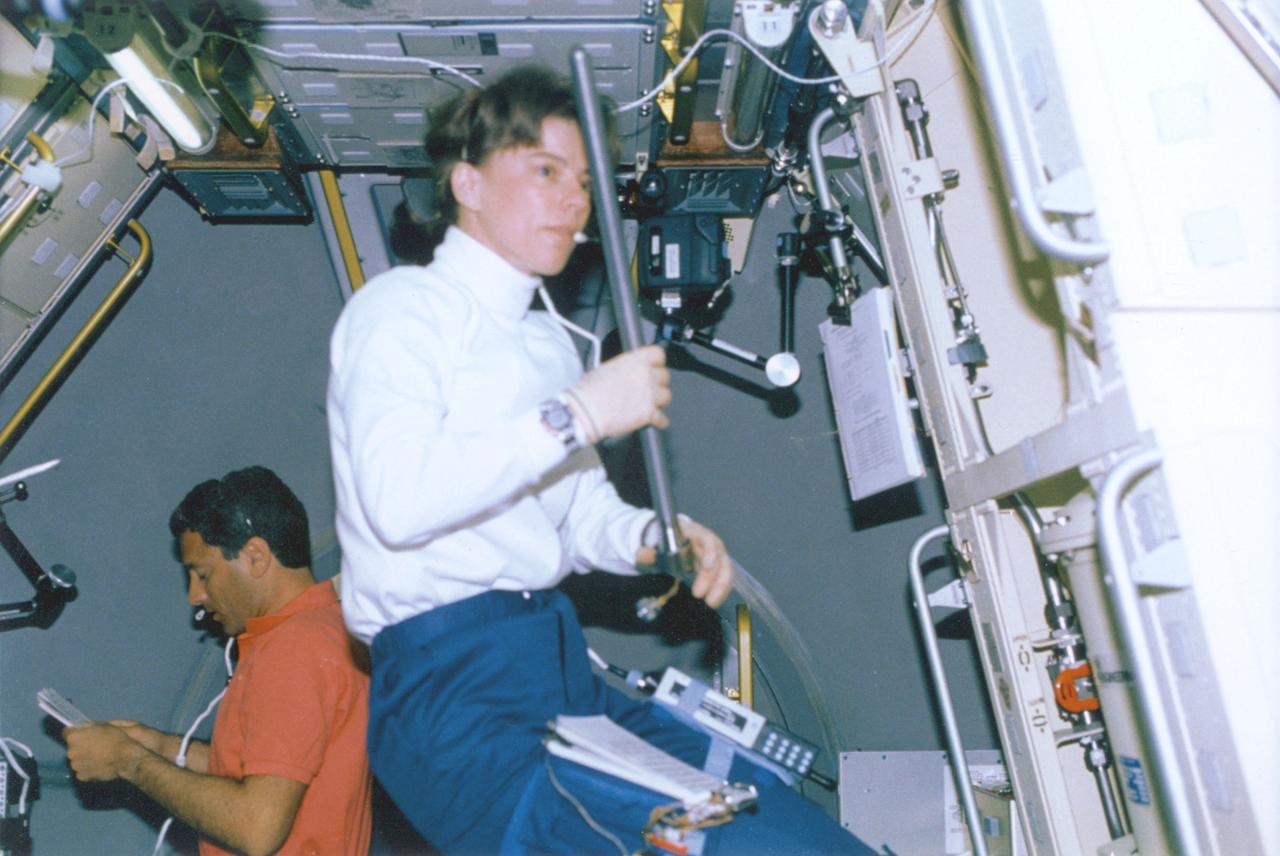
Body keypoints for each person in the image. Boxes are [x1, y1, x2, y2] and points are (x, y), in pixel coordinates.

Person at [327, 65, 874, 854]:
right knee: (717, 847)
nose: (574, 200)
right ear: (467, 184)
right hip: (453, 694)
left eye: (584, 181)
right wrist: (579, 412)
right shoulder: (400, 311)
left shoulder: (550, 343)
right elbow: (399, 500)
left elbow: (579, 516)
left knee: (787, 830)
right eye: (545, 172)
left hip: (551, 668)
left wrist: (657, 540)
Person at [64, 466, 372, 856]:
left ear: (256, 557)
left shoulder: (294, 648)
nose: (194, 595)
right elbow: (271, 774)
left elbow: (256, 827)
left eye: (203, 575)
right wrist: (162, 746)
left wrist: (129, 761)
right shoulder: (323, 629)